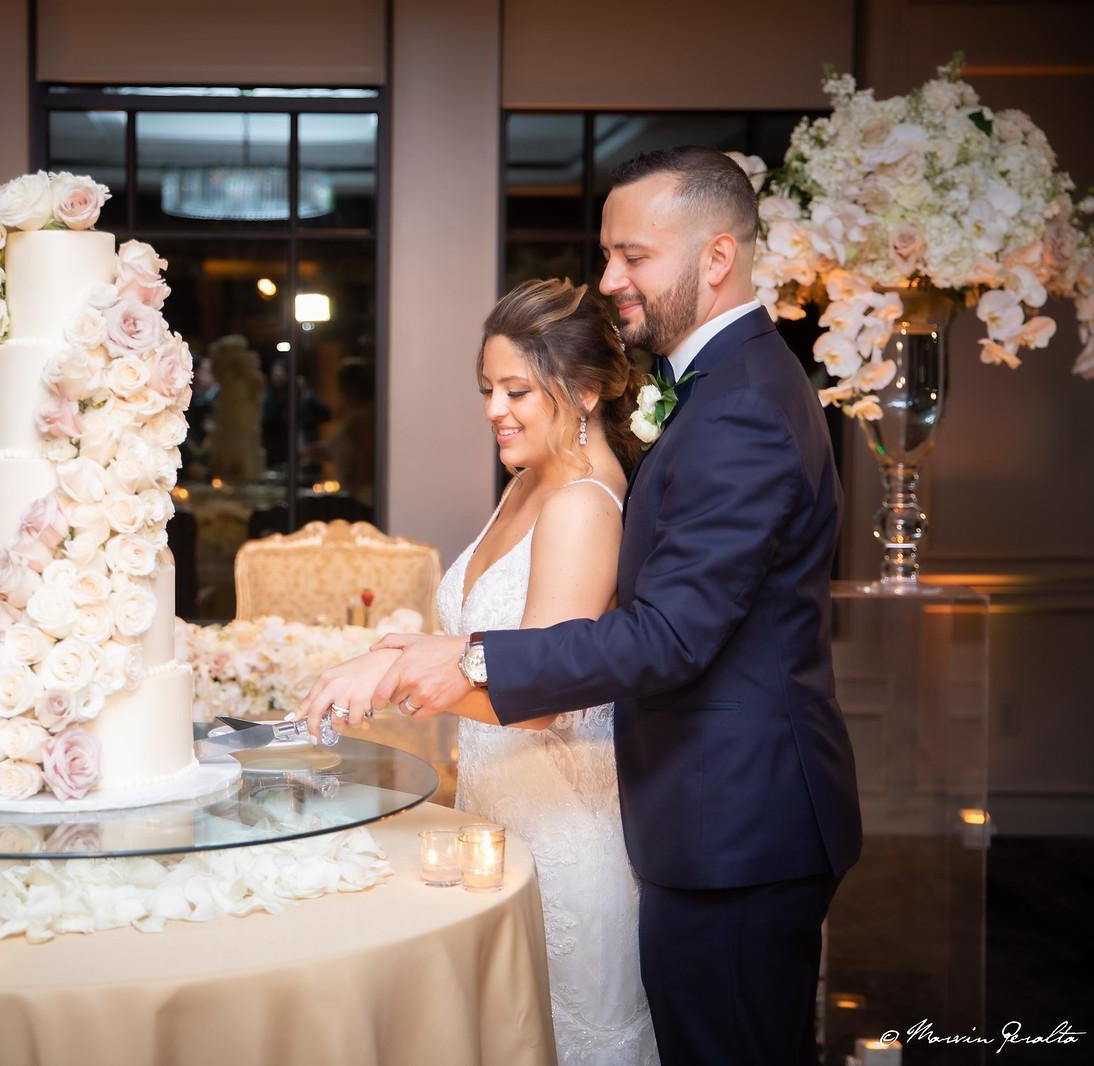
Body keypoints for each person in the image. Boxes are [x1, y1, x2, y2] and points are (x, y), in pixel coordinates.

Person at [303, 146, 862, 1066]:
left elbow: (670, 635)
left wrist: (466, 659)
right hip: (701, 816)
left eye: (634, 256)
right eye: (608, 255)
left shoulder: (745, 406)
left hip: (734, 828)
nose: (610, 280)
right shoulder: (720, 389)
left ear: (717, 257)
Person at [300, 277, 658, 1063]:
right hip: (500, 815)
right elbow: (480, 642)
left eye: (517, 390)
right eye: (487, 389)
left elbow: (540, 699)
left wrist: (392, 680)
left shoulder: (582, 505)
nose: (496, 409)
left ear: (586, 391)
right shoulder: (529, 481)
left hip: (565, 836)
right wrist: (393, 655)